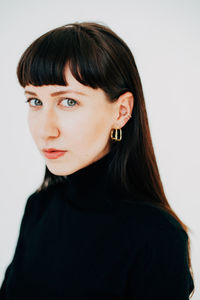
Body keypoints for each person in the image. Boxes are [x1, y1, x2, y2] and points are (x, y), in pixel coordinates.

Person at [0, 21, 195, 299]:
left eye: (68, 102)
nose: (45, 130)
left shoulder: (157, 238)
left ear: (121, 111)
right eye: (35, 101)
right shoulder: (39, 208)